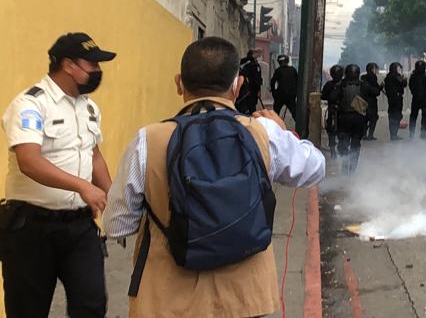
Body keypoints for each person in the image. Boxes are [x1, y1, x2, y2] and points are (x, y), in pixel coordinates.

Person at [102, 36, 325, 317]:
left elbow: (117, 225)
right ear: (238, 85)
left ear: (179, 84)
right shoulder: (264, 133)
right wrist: (282, 131)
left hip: (166, 300)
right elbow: (316, 168)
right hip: (245, 299)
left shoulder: (147, 140)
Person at [0, 32, 115, 317]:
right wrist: (82, 186)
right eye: (92, 64)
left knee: (91, 305)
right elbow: (29, 161)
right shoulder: (31, 104)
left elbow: (94, 156)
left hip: (79, 226)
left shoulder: (88, 107)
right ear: (68, 65)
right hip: (31, 228)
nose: (98, 70)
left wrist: (114, 199)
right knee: (28, 310)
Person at [335, 64, 375, 174]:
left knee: (344, 143)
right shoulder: (364, 85)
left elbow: (331, 97)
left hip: (345, 118)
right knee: (355, 144)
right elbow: (375, 92)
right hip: (358, 119)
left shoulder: (341, 85)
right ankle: (352, 168)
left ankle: (345, 166)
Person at [320, 64, 343, 155]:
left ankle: (333, 151)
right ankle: (341, 150)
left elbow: (323, 96)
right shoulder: (344, 84)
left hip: (331, 110)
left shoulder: (328, 84)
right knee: (342, 131)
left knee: (331, 131)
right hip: (343, 111)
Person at [408, 60, 426, 138]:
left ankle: (411, 133)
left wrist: (413, 92)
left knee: (413, 116)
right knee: (425, 116)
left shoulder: (413, 76)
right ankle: (422, 133)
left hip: (415, 98)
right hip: (425, 99)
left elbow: (410, 86)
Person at [269, 54, 300, 122]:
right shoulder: (293, 70)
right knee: (295, 114)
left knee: (275, 113)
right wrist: (295, 93)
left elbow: (272, 82)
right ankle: (300, 126)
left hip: (280, 95)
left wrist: (274, 93)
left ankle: (274, 125)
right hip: (291, 96)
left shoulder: (278, 70)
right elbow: (298, 82)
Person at [384, 62, 407, 141]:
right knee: (397, 116)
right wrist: (404, 78)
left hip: (391, 99)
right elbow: (403, 83)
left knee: (392, 116)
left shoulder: (388, 77)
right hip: (397, 99)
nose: (399, 70)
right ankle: (394, 135)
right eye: (399, 68)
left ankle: (393, 134)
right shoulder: (396, 76)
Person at [235, 49, 263, 114]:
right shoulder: (254, 64)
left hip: (245, 89)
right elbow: (256, 79)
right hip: (251, 89)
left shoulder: (243, 62)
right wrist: (258, 89)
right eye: (257, 53)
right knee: (251, 107)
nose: (259, 55)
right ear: (253, 54)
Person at [361, 62, 383, 140]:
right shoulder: (372, 78)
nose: (377, 70)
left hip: (363, 101)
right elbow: (375, 91)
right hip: (371, 102)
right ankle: (370, 135)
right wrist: (380, 87)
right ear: (372, 69)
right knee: (373, 118)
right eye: (375, 68)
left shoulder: (363, 78)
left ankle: (364, 134)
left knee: (365, 118)